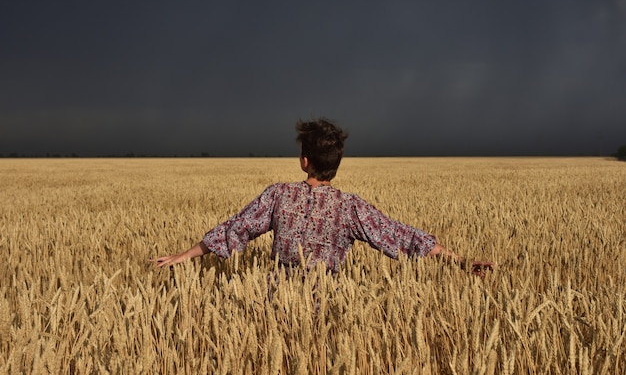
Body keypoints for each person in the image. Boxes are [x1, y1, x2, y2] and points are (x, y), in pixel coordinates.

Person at [150, 118, 495, 277]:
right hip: (327, 307)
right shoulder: (349, 207)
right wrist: (460, 260)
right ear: (337, 164)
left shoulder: (278, 195)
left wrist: (183, 256)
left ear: (304, 161)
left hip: (275, 306)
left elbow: (234, 230)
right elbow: (400, 237)